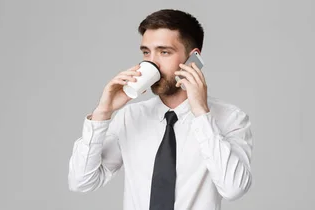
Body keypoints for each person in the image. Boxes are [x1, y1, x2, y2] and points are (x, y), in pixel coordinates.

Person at [68, 9, 254, 210]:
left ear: (193, 59)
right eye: (146, 52)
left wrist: (201, 112)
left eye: (164, 52)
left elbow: (234, 189)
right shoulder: (130, 117)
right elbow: (81, 182)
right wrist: (102, 113)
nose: (151, 62)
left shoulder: (230, 118)